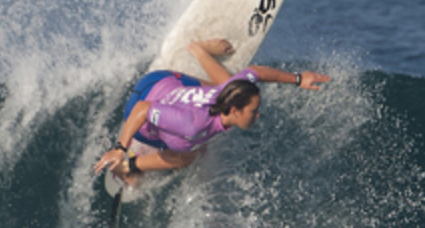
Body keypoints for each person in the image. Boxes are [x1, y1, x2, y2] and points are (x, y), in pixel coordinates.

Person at [94, 39, 330, 185]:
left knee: (228, 84)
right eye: (253, 111)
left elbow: (255, 72)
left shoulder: (228, 97)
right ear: (235, 111)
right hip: (148, 95)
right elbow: (142, 110)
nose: (257, 115)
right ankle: (130, 167)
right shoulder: (193, 125)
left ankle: (198, 50)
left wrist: (298, 79)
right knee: (190, 156)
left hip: (168, 85)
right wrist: (120, 148)